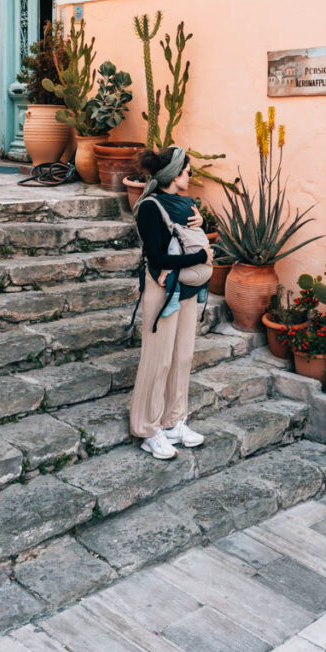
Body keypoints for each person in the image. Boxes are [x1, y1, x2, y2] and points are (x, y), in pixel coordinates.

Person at [130, 145, 214, 460]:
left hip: (188, 291)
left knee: (182, 357)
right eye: (188, 172)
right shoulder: (150, 207)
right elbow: (158, 256)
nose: (190, 177)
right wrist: (201, 256)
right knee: (159, 360)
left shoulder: (187, 205)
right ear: (174, 175)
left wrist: (201, 225)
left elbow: (194, 236)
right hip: (163, 291)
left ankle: (175, 421)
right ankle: (149, 429)